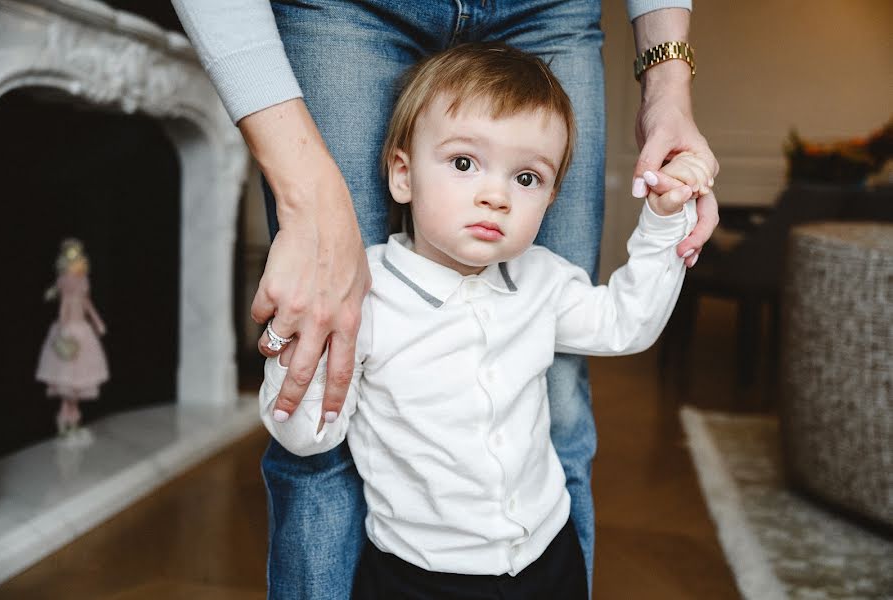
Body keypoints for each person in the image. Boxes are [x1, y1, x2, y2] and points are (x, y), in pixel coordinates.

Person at [170, 1, 720, 597]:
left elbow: (624, 325)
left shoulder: (542, 280)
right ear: (402, 175)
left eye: (527, 178)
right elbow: (310, 439)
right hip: (419, 580)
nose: (496, 196)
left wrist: (664, 224)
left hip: (546, 560)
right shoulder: (365, 295)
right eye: (464, 162)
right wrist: (294, 348)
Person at [36, 238, 108, 437]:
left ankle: (71, 417)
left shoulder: (83, 279)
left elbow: (87, 303)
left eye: (76, 253)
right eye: (70, 253)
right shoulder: (63, 280)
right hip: (68, 329)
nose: (73, 256)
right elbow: (63, 304)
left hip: (81, 329)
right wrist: (63, 325)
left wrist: (97, 321)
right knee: (67, 380)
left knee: (77, 381)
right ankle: (65, 418)